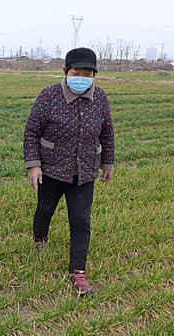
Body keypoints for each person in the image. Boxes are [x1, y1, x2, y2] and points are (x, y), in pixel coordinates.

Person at [23, 47, 115, 295]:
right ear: (65, 72)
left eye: (88, 73)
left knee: (81, 221)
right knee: (45, 209)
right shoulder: (49, 96)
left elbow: (107, 133)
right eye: (77, 72)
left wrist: (107, 163)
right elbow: (32, 131)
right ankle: (40, 239)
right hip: (51, 170)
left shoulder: (101, 98)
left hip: (84, 172)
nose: (82, 78)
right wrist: (34, 165)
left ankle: (78, 272)